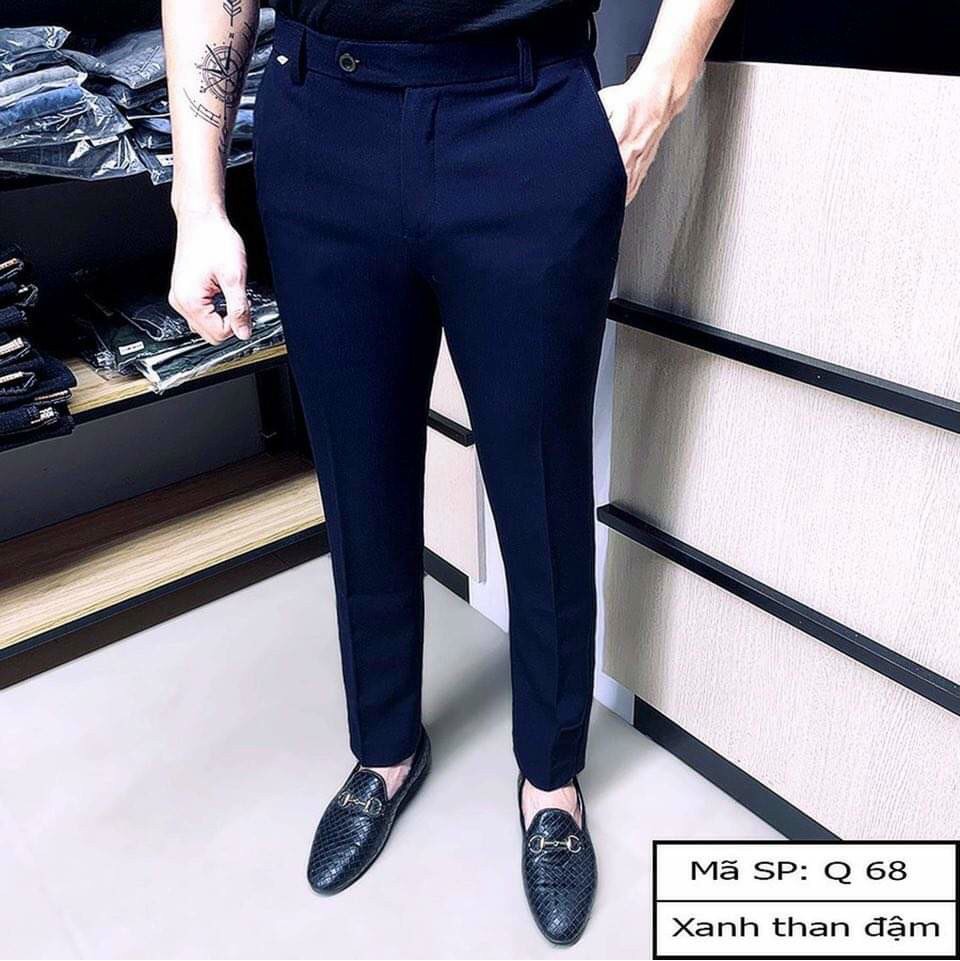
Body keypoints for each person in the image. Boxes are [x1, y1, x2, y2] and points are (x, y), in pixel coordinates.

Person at [162, 0, 732, 945]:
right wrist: (198, 198)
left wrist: (663, 87)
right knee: (357, 470)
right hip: (324, 119)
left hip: (522, 114)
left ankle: (551, 779)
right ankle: (383, 750)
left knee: (540, 479)